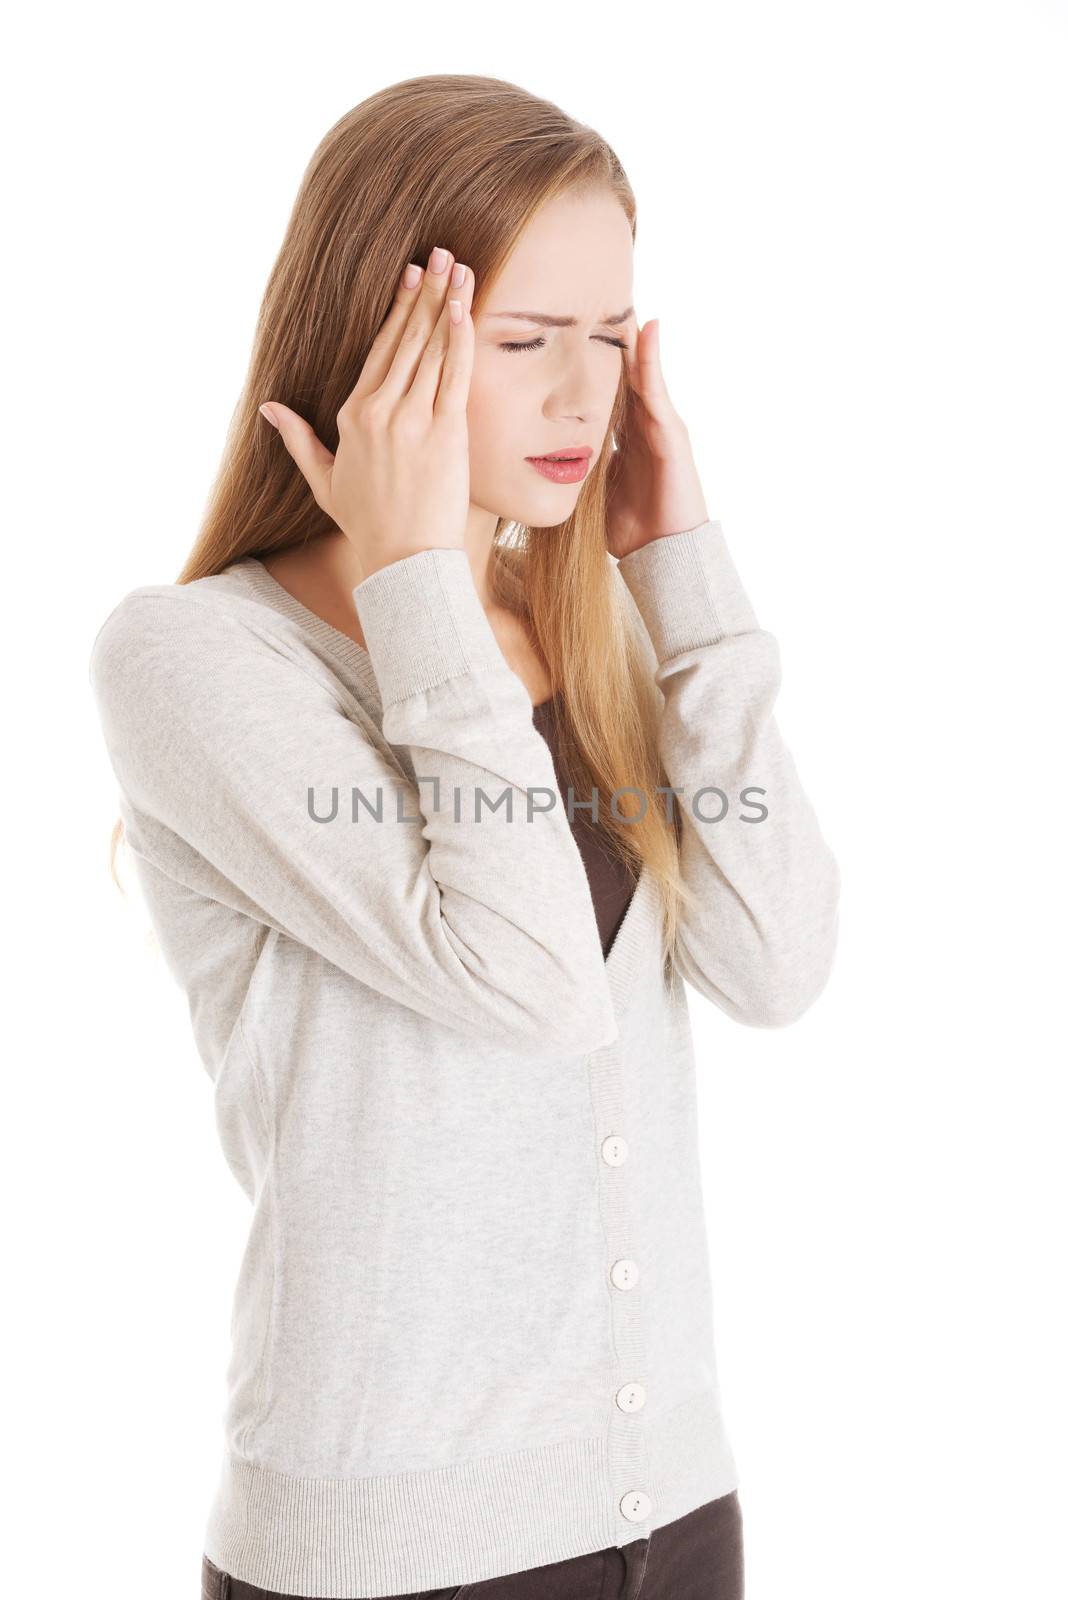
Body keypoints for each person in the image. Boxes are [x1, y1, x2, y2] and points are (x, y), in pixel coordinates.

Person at [89, 74, 840, 1600]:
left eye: (612, 337)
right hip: (395, 1552)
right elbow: (529, 985)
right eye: (522, 341)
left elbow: (780, 964)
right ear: (382, 352)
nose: (587, 395)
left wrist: (683, 576)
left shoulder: (603, 628)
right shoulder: (195, 662)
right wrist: (419, 574)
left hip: (677, 1514)